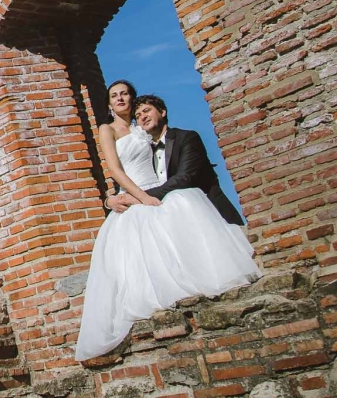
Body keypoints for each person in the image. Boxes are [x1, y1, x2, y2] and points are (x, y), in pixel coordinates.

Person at [74, 89, 259, 361]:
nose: (121, 99)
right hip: (141, 196)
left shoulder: (147, 131)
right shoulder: (107, 128)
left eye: (126, 95)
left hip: (158, 194)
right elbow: (113, 170)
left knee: (177, 224)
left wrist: (147, 197)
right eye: (114, 96)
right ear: (109, 104)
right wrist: (113, 198)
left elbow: (173, 170)